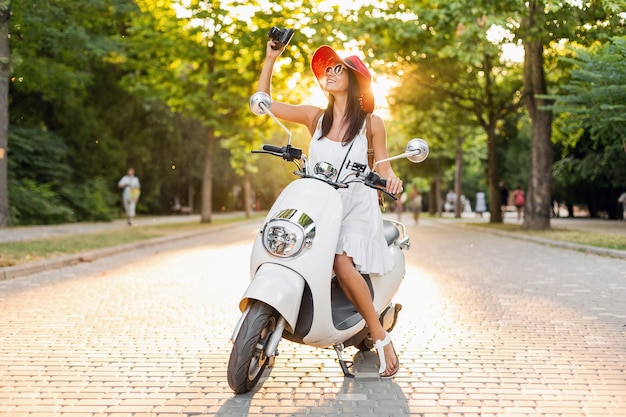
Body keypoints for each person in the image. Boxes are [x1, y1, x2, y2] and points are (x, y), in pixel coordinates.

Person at [257, 40, 402, 378]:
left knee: (340, 259)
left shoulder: (371, 123)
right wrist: (270, 59)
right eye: (328, 69)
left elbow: (383, 165)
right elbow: (264, 105)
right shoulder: (314, 118)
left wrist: (392, 180)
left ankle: (379, 335)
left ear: (354, 79)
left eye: (338, 68)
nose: (330, 73)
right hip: (320, 203)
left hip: (356, 206)